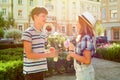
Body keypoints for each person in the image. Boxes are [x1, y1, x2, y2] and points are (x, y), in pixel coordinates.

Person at [21, 7, 57, 80]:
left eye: (46, 16)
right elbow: (29, 55)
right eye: (43, 16)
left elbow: (40, 51)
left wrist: (49, 50)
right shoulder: (27, 33)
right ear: (35, 17)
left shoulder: (43, 33)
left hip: (41, 70)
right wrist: (48, 55)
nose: (45, 18)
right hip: (31, 72)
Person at [66, 12, 96, 80]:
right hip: (83, 71)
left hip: (84, 73)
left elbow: (87, 60)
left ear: (83, 24)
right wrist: (73, 49)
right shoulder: (84, 37)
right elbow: (81, 55)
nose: (76, 24)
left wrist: (72, 54)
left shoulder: (86, 38)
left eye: (78, 22)